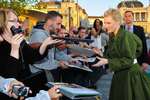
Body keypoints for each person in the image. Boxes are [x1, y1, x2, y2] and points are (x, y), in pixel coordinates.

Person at [0, 9, 60, 99]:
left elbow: (33, 57)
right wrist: (14, 49)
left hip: (27, 86)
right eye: (13, 21)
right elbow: (9, 80)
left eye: (18, 21)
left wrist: (45, 44)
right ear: (2, 23)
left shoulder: (19, 41)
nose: (18, 24)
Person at [92, 8, 150, 100]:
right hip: (120, 74)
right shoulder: (112, 35)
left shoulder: (126, 36)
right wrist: (100, 53)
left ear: (117, 22)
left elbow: (128, 60)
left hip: (129, 76)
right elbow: (113, 55)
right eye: (105, 23)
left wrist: (107, 61)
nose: (105, 26)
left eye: (109, 23)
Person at [29, 11, 67, 82]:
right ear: (49, 22)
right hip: (40, 77)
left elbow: (51, 56)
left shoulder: (48, 34)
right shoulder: (39, 34)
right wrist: (58, 64)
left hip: (47, 73)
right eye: (58, 24)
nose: (59, 27)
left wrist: (69, 60)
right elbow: (38, 62)